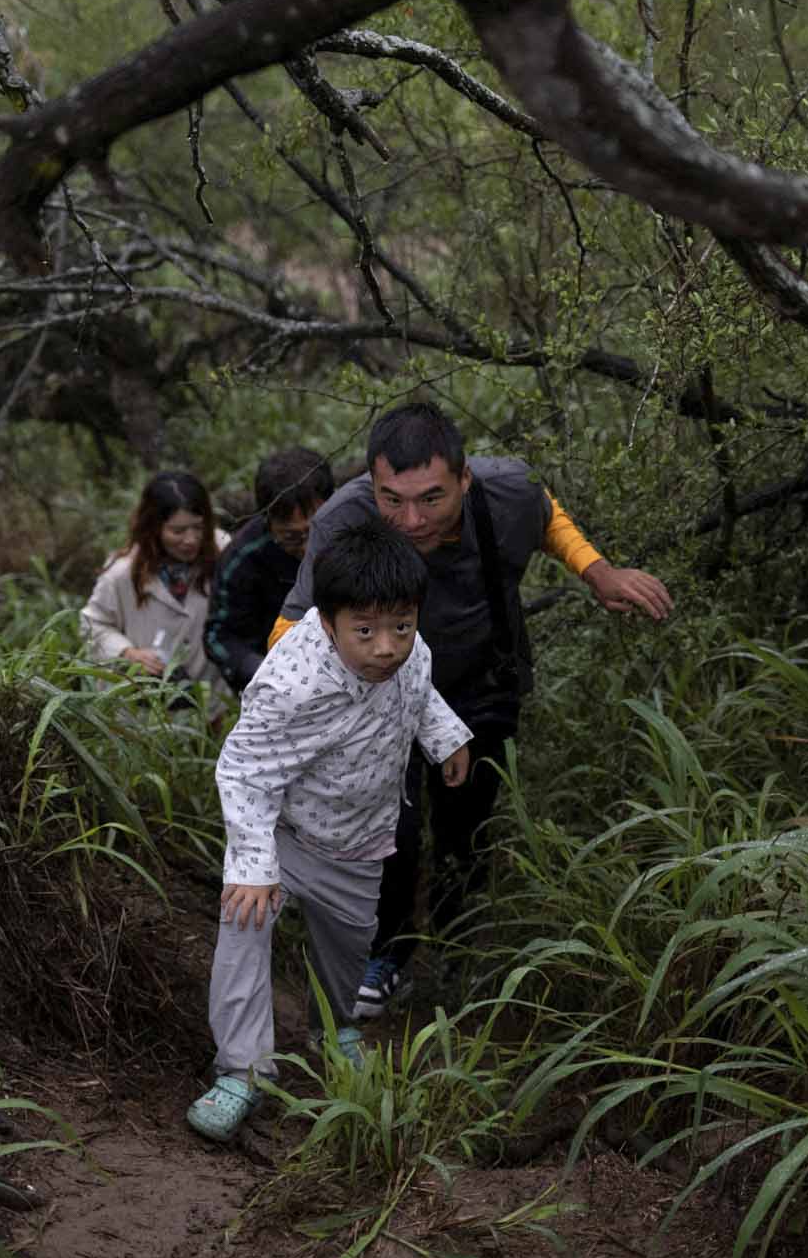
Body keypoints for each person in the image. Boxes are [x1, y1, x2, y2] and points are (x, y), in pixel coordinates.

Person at [269, 401, 672, 1018]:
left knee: (466, 826)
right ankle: (389, 953)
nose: (410, 519)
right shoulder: (345, 518)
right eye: (392, 499)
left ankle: (456, 948)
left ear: (464, 479)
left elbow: (546, 514)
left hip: (482, 681)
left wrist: (597, 571)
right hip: (379, 697)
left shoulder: (506, 490)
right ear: (371, 484)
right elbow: (293, 621)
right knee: (390, 829)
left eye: (431, 499)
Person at [188, 520, 472, 1143]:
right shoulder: (293, 685)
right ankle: (240, 1070)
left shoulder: (410, 651)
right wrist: (255, 866)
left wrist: (445, 736)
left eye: (401, 624)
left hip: (359, 840)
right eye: (364, 631)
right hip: (284, 838)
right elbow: (243, 770)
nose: (386, 647)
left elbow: (419, 692)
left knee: (348, 950)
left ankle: (335, 1027)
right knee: (243, 927)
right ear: (326, 622)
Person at [79, 471, 233, 696]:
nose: (190, 540)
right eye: (177, 531)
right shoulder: (122, 573)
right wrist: (128, 653)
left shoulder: (224, 552)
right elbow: (92, 625)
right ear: (153, 528)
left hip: (211, 702)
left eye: (198, 527)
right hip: (144, 710)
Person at [204, 447, 336, 693]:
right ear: (268, 520)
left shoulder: (359, 527)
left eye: (317, 531)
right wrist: (264, 672)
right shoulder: (242, 558)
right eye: (292, 537)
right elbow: (219, 637)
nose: (309, 548)